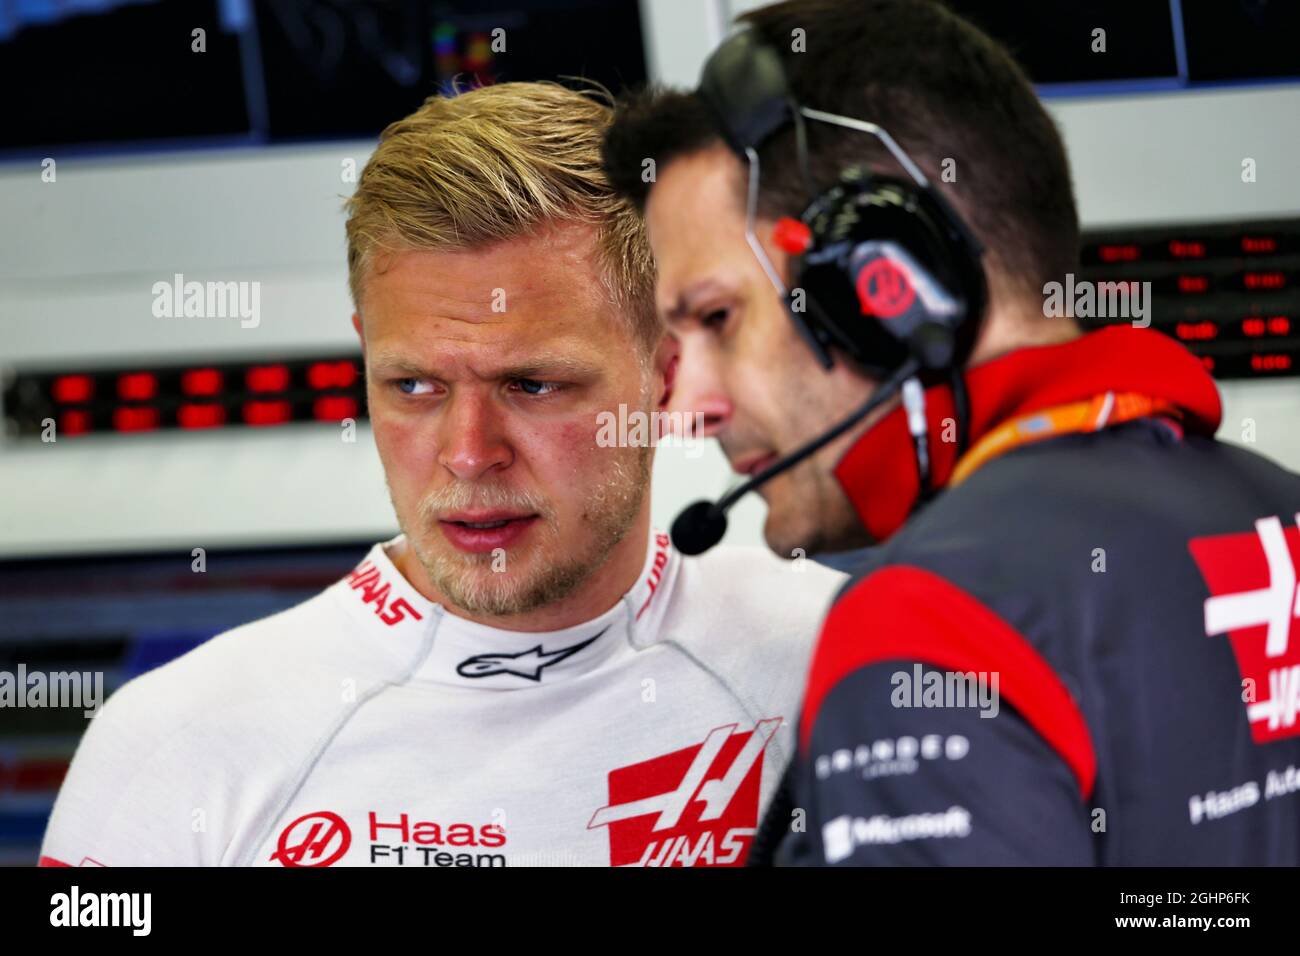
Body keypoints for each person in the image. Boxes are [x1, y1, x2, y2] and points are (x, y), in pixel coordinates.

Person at [39, 81, 843, 868]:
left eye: (532, 385)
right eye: (414, 386)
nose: (467, 452)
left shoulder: (836, 654)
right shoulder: (174, 747)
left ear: (667, 373)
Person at [602, 0, 1300, 864]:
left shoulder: (933, 621)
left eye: (718, 317)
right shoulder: (1276, 508)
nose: (687, 406)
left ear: (888, 283)